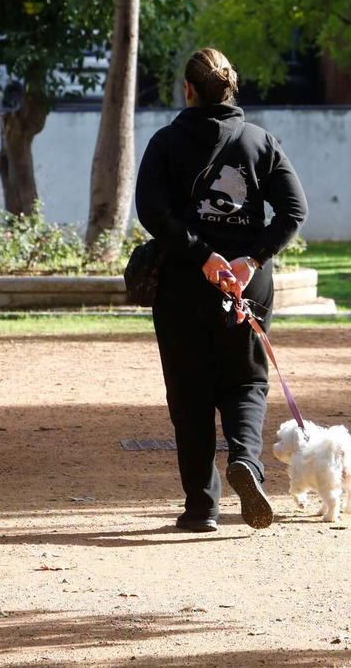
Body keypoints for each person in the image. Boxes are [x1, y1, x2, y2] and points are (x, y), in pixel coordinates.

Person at [134, 47, 308, 533]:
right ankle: (247, 464)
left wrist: (202, 255)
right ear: (231, 87)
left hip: (184, 284)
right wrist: (249, 259)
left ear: (187, 89)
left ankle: (201, 507)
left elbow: (152, 212)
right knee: (246, 382)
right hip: (247, 288)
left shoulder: (165, 143)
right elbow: (294, 212)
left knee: (189, 393)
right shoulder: (260, 142)